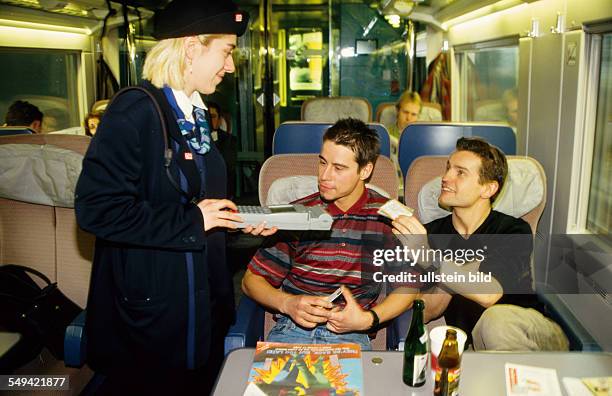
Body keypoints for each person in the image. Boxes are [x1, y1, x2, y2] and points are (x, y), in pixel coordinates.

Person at [74, 1, 275, 394]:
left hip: (203, 305)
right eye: (226, 52)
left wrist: (238, 225)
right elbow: (96, 210)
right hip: (153, 315)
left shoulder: (195, 113)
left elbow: (197, 208)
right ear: (190, 48)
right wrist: (194, 221)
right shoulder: (135, 111)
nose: (230, 66)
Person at [242, 118, 422, 350]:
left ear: (365, 170)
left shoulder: (389, 219)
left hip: (351, 334)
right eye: (322, 162)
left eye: (338, 168)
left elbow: (408, 288)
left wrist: (368, 319)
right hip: (292, 329)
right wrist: (287, 303)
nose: (324, 176)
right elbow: (250, 281)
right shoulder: (299, 214)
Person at [392, 137, 569, 351]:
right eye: (448, 169)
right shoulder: (430, 235)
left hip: (529, 334)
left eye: (460, 172)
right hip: (477, 347)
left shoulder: (513, 230)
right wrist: (452, 272)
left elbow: (489, 294)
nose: (445, 177)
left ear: (488, 189)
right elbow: (426, 312)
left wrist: (432, 260)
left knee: (495, 321)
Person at [388, 91, 422, 197]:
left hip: (416, 186)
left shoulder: (422, 137)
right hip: (393, 185)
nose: (409, 118)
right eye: (405, 112)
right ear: (398, 111)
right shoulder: (386, 133)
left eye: (413, 114)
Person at [207, 101, 237, 199]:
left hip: (221, 193)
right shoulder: (194, 140)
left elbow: (227, 168)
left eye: (212, 116)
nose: (209, 120)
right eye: (206, 117)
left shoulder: (229, 140)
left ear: (220, 120)